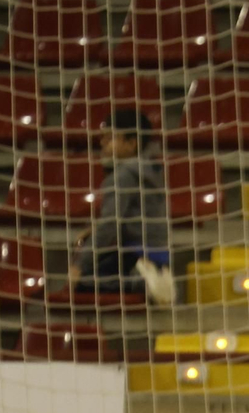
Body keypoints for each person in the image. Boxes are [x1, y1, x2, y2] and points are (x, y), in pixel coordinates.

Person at [68, 109, 174, 306]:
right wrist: (93, 230)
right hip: (159, 253)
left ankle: (138, 281)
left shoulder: (122, 175)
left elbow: (110, 225)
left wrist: (79, 266)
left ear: (132, 143)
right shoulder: (151, 168)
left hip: (135, 254)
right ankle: (153, 273)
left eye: (110, 138)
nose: (102, 143)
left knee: (84, 282)